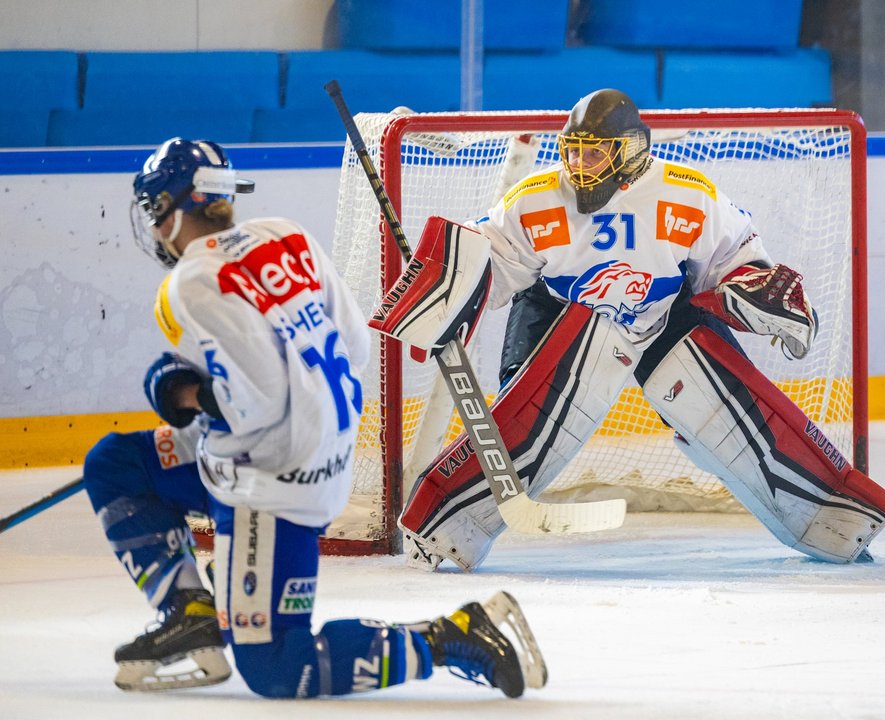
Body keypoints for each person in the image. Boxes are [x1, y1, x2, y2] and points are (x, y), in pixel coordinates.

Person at [81, 137, 546, 697]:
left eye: (157, 211)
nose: (156, 228)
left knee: (280, 667)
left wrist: (181, 395)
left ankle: (454, 636)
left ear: (180, 207)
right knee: (117, 461)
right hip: (317, 457)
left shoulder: (188, 284)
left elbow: (254, 404)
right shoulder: (284, 234)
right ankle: (192, 612)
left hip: (269, 487)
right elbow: (352, 342)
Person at [371, 88, 885, 571]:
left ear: (630, 151)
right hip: (560, 309)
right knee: (521, 428)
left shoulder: (685, 195)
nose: (578, 165)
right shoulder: (535, 199)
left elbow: (734, 256)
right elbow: (496, 259)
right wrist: (447, 287)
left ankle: (837, 523)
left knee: (741, 423)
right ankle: (442, 530)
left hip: (664, 311)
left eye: (593, 153)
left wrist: (754, 286)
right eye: (572, 151)